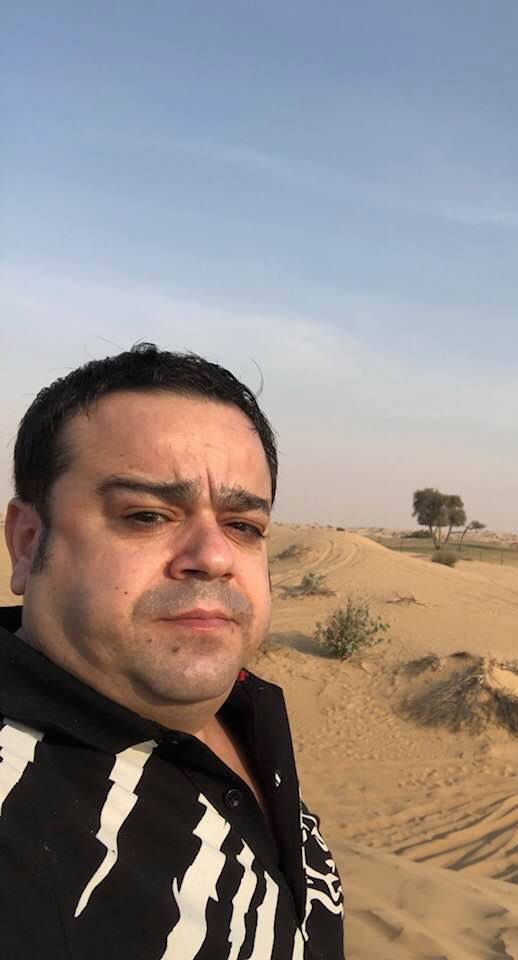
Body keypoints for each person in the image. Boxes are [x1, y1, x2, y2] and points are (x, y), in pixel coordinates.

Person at [0, 344, 344, 959]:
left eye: (244, 526)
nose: (213, 556)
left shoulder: (241, 710)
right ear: (28, 543)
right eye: (147, 515)